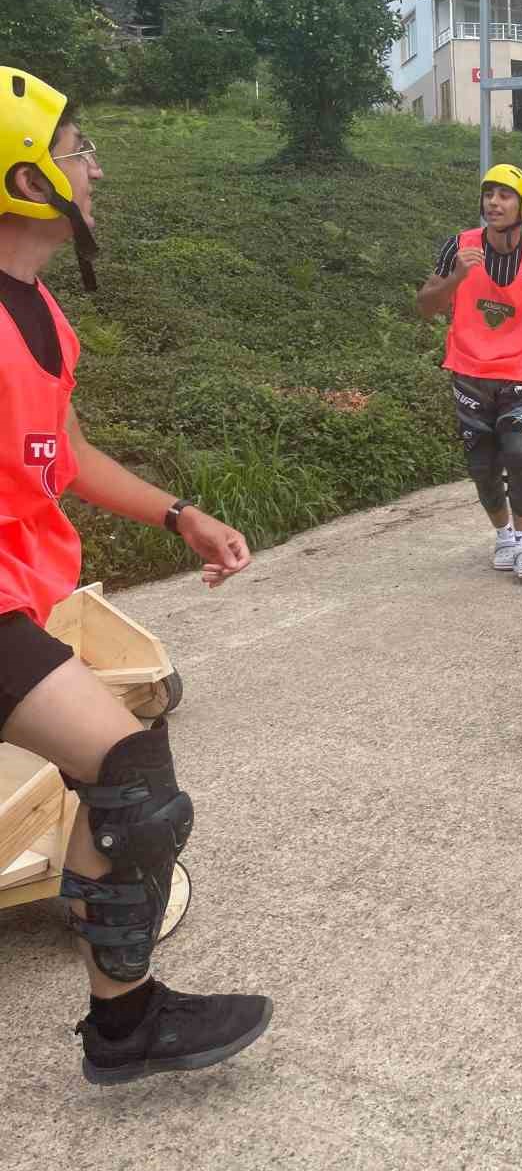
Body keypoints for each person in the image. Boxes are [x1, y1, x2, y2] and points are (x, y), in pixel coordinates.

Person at [0, 66, 272, 1084]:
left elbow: (62, 458)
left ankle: (124, 1025)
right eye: (77, 152)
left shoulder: (43, 320)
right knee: (130, 774)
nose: (96, 165)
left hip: (14, 603)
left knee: (127, 779)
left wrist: (179, 514)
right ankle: (124, 1027)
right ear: (25, 178)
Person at [417, 163, 522, 579]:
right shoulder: (457, 247)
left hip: (516, 368)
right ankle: (504, 536)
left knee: (520, 453)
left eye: (504, 195)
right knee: (482, 464)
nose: (493, 202)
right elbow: (426, 307)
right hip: (468, 368)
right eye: (488, 194)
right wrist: (458, 275)